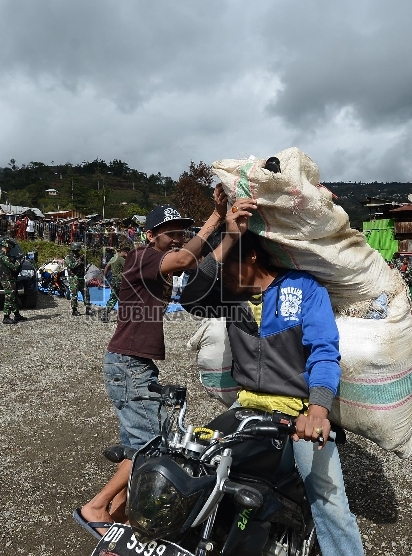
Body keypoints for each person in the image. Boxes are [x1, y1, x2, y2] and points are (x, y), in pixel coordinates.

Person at [180, 215, 365, 556]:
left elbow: (324, 353)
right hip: (248, 406)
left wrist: (319, 411)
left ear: (251, 257)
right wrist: (227, 231)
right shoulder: (230, 298)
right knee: (202, 468)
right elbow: (189, 296)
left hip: (299, 411)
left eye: (228, 262)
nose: (220, 275)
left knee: (329, 499)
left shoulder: (305, 288)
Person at [75, 192, 229, 539]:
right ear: (150, 235)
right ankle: (97, 507)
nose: (177, 236)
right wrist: (217, 217)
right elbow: (189, 257)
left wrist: (232, 229)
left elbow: (200, 264)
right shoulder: (142, 256)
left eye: (181, 231)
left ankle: (119, 515)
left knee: (147, 445)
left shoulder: (162, 262)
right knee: (152, 448)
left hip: (136, 365)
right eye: (169, 231)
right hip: (129, 365)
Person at [0, 237, 27, 324]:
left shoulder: (5, 256)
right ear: (6, 246)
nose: (10, 249)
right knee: (9, 298)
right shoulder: (2, 257)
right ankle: (6, 317)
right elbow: (14, 267)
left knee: (14, 297)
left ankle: (17, 315)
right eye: (9, 247)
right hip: (7, 280)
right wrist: (19, 261)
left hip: (11, 279)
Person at [101, 245, 128, 322]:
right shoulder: (121, 259)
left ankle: (105, 314)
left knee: (113, 298)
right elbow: (128, 268)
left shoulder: (114, 257)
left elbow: (107, 267)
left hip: (113, 280)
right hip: (120, 281)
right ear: (125, 252)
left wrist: (105, 276)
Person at [65, 242, 91, 316]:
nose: (77, 252)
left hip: (81, 277)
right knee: (74, 294)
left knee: (86, 293)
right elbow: (72, 266)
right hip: (73, 277)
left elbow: (86, 266)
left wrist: (85, 260)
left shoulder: (80, 257)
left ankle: (88, 309)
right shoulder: (68, 257)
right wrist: (79, 261)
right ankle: (74, 310)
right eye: (76, 250)